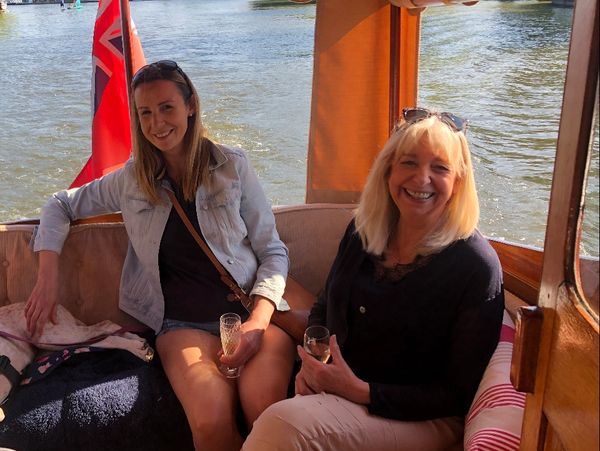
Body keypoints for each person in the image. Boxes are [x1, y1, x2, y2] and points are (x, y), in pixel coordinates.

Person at [25, 60, 295, 451]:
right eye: (145, 113)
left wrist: (256, 323)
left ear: (190, 106)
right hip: (180, 323)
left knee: (266, 410)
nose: (156, 123)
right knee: (210, 421)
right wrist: (47, 280)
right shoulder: (131, 180)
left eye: (166, 107)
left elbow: (272, 250)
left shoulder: (232, 166)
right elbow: (59, 204)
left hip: (252, 312)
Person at [243, 108, 505, 451]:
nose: (421, 178)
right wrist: (313, 363)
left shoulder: (475, 266)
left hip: (422, 417)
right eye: (408, 162)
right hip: (342, 392)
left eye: (439, 168)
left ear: (458, 181)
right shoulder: (364, 231)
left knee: (282, 425)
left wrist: (360, 391)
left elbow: (457, 392)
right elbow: (324, 306)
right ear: (388, 170)